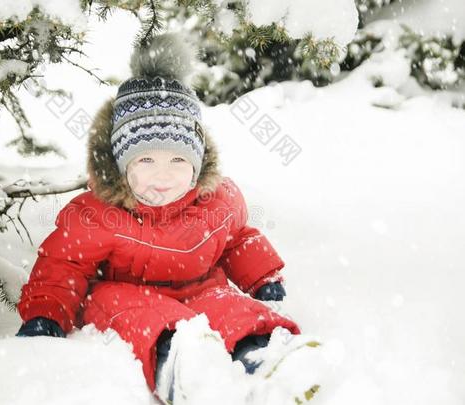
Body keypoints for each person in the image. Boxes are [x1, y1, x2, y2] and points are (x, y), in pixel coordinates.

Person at [15, 33, 300, 403]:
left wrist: (263, 279)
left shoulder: (218, 200)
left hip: (199, 288)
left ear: (197, 164)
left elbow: (238, 238)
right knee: (134, 312)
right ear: (121, 164)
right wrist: (46, 315)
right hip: (124, 293)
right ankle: (178, 360)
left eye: (178, 160)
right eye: (146, 160)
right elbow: (62, 265)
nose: (163, 176)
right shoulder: (96, 213)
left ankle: (265, 351)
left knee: (227, 305)